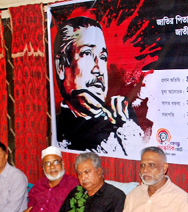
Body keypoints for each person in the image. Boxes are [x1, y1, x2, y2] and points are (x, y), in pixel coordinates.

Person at [53, 16, 144, 155]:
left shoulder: (125, 122)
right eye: (87, 53)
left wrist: (127, 129)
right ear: (61, 66)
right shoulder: (53, 132)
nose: (99, 70)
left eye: (102, 57)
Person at [47, 152, 125, 212]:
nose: (83, 178)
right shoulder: (76, 191)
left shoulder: (115, 196)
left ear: (99, 171)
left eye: (87, 172)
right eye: (79, 174)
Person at [6, 146, 79, 212]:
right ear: (43, 168)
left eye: (56, 162)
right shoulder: (40, 184)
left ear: (62, 163)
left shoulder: (73, 185)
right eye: (47, 164)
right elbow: (30, 210)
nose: (52, 166)